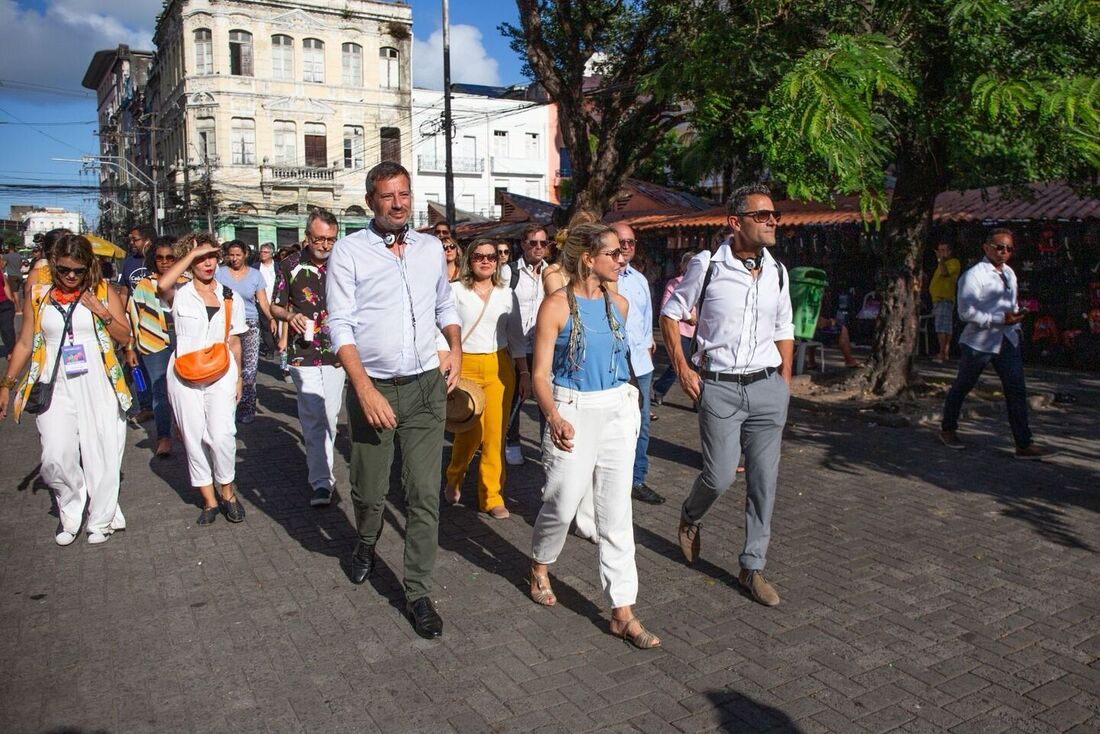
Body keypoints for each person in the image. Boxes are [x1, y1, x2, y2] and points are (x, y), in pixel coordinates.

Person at [327, 161, 461, 639]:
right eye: (388, 196)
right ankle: (366, 539)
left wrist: (455, 347)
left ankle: (418, 592)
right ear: (371, 201)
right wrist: (363, 388)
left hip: (426, 388)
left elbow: (445, 303)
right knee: (370, 491)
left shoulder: (430, 248)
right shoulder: (348, 252)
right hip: (375, 388)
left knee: (424, 493)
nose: (398, 203)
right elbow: (339, 324)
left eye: (404, 194)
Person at [526, 222, 660, 649]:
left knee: (616, 514)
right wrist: (552, 416)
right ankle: (540, 564)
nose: (622, 259)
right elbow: (540, 374)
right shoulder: (555, 307)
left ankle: (623, 611)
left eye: (622, 252)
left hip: (616, 409)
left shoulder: (619, 304)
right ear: (588, 259)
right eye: (613, 253)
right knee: (562, 503)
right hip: (572, 408)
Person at [660, 183, 794, 608]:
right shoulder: (707, 265)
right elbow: (670, 314)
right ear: (736, 222)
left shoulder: (777, 271)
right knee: (719, 476)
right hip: (719, 387)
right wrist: (682, 368)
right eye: (762, 215)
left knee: (763, 483)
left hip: (768, 387)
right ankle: (691, 515)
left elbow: (784, 328)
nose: (772, 222)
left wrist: (784, 383)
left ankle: (752, 566)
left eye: (774, 215)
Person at [0, 234, 133, 545]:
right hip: (54, 380)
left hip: (98, 380)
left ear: (89, 268)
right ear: (53, 265)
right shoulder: (39, 295)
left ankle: (100, 518)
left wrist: (100, 310)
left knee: (102, 451)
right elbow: (24, 342)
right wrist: (6, 384)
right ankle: (71, 508)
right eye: (64, 270)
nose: (71, 276)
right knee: (55, 454)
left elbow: (125, 337)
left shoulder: (102, 291)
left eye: (78, 270)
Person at [940, 229, 1054, 459]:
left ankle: (1023, 443)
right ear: (986, 248)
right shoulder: (974, 275)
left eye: (1009, 249)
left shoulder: (1010, 273)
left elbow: (1010, 303)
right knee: (964, 385)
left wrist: (1016, 317)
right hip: (979, 342)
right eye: (999, 247)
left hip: (1007, 339)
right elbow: (965, 312)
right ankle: (948, 428)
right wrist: (999, 319)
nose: (1004, 253)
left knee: (1016, 391)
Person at [159, 233, 248, 524]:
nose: (208, 263)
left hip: (222, 371)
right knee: (193, 436)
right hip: (184, 374)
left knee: (222, 435)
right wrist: (191, 254)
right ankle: (209, 500)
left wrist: (240, 378)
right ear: (189, 261)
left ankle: (228, 492)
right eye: (201, 258)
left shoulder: (229, 296)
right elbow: (162, 285)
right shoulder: (179, 293)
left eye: (212, 257)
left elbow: (235, 340)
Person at [440, 238, 528, 518]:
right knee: (468, 433)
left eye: (491, 257)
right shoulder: (455, 291)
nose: (486, 261)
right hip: (465, 365)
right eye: (479, 256)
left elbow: (516, 337)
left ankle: (491, 495)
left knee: (494, 435)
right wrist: (444, 362)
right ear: (470, 259)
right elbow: (440, 329)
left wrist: (524, 372)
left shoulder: (507, 294)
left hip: (499, 366)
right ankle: (455, 476)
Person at [271, 209, 346, 507]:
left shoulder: (344, 262)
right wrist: (291, 316)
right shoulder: (289, 265)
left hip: (338, 351)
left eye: (331, 239)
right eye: (319, 239)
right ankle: (322, 481)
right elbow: (276, 306)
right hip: (304, 352)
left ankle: (324, 471)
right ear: (307, 237)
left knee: (330, 414)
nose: (325, 245)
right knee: (314, 415)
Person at [612, 222, 663, 505]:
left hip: (640, 366)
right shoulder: (601, 278)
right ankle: (611, 480)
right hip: (611, 365)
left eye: (631, 242)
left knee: (641, 424)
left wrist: (647, 352)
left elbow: (646, 322)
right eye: (621, 242)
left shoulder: (640, 280)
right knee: (614, 425)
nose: (626, 247)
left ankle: (637, 479)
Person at [125, 236, 186, 457]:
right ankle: (163, 437)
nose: (165, 262)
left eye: (170, 258)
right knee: (160, 391)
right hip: (154, 344)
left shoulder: (186, 283)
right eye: (160, 258)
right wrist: (130, 347)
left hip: (183, 342)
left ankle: (184, 429)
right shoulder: (144, 285)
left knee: (184, 390)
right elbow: (133, 317)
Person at [216, 240, 276, 424]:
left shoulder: (255, 275)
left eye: (238, 255)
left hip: (250, 323)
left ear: (245, 255)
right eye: (231, 255)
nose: (234, 259)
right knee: (228, 367)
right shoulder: (220, 273)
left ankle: (247, 407)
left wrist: (271, 318)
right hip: (227, 324)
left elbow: (263, 301)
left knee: (249, 368)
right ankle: (227, 406)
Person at [504, 224, 549, 465]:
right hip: (514, 347)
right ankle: (511, 442)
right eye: (533, 243)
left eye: (543, 243)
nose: (538, 248)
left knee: (544, 397)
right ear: (523, 245)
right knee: (514, 396)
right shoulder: (509, 273)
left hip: (543, 347)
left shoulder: (552, 274)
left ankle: (546, 444)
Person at [653, 250, 697, 405]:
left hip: (700, 332)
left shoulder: (706, 282)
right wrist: (688, 316)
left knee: (700, 366)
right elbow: (666, 308)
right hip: (681, 330)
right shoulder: (675, 283)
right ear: (683, 266)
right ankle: (660, 388)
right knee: (678, 364)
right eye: (689, 264)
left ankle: (699, 399)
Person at [929, 242, 961, 362]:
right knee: (942, 326)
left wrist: (940, 260)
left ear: (949, 252)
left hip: (944, 299)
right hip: (938, 299)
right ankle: (944, 353)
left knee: (942, 327)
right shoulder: (942, 264)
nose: (941, 253)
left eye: (943, 250)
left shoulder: (953, 263)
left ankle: (942, 353)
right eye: (939, 251)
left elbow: (944, 273)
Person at [256, 242, 279, 358]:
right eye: (261, 252)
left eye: (266, 252)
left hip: (276, 301)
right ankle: (270, 349)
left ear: (272, 254)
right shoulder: (255, 267)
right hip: (261, 301)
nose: (263, 254)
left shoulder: (278, 267)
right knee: (266, 326)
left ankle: (277, 344)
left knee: (277, 324)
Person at [122, 225, 157, 294]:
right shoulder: (129, 262)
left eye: (135, 240)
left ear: (148, 241)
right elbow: (123, 293)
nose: (131, 242)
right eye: (131, 240)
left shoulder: (159, 260)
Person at [3, 244, 23, 314]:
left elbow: (3, 265)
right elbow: (20, 265)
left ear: (9, 248)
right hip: (19, 275)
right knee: (17, 291)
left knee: (14, 293)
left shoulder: (6, 256)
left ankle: (19, 309)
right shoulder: (18, 255)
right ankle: (17, 308)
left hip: (12, 276)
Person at [0, 274, 15, 358]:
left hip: (4, 303)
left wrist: (10, 300)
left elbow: (4, 284)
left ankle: (11, 352)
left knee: (7, 329)